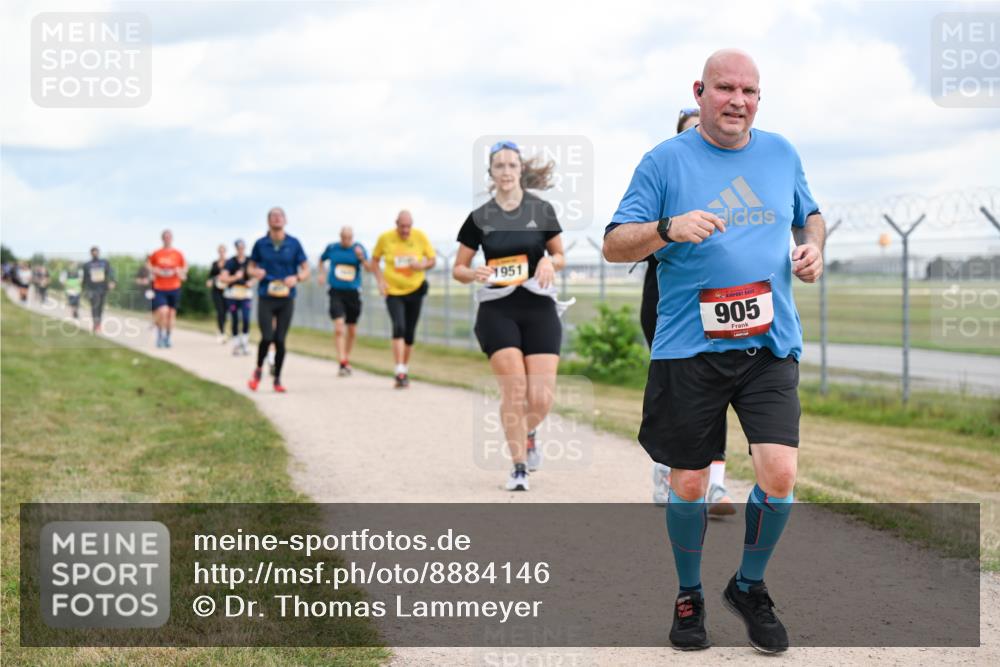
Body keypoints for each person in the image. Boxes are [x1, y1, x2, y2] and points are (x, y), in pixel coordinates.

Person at [603, 49, 825, 653]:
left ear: (759, 98)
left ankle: (748, 586)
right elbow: (614, 244)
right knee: (690, 483)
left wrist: (813, 248)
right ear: (700, 92)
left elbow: (810, 214)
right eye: (725, 88)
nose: (738, 101)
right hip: (689, 348)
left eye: (749, 91)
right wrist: (667, 228)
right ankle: (689, 594)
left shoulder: (781, 153)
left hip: (769, 345)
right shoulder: (664, 161)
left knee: (780, 473)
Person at [453, 140, 566, 491]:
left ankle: (526, 432)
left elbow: (560, 256)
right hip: (497, 308)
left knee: (541, 398)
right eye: (499, 166)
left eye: (511, 165)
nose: (505, 171)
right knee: (515, 390)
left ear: (521, 170)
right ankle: (518, 467)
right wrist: (473, 273)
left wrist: (549, 262)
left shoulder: (541, 210)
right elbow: (458, 268)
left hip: (538, 305)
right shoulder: (480, 217)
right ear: (491, 173)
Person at [647, 108, 736, 516]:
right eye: (692, 134)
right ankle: (666, 468)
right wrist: (670, 227)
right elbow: (626, 239)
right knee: (679, 394)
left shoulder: (735, 186)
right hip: (670, 303)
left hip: (721, 302)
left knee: (720, 387)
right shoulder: (663, 179)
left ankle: (715, 484)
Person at [247, 207, 309, 392]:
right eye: (273, 216)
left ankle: (277, 379)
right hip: (266, 296)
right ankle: (258, 369)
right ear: (268, 221)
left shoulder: (294, 243)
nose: (277, 219)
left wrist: (297, 278)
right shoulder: (260, 244)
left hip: (286, 298)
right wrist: (255, 272)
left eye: (280, 216)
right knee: (267, 337)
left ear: (285, 220)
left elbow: (305, 269)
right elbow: (250, 267)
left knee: (280, 339)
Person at [371, 211, 436, 388]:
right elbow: (374, 261)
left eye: (408, 226)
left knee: (410, 332)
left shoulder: (420, 236)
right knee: (398, 326)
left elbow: (432, 260)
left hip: (415, 289)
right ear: (396, 224)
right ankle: (399, 370)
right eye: (402, 226)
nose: (406, 230)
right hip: (393, 291)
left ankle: (404, 369)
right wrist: (380, 281)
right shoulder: (385, 238)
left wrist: (422, 265)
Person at [318, 226, 370, 376]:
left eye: (349, 238)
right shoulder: (332, 248)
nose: (346, 240)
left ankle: (346, 358)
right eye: (344, 237)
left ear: (352, 237)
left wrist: (361, 258)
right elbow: (321, 260)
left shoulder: (359, 249)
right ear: (340, 237)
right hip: (336, 292)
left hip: (353, 293)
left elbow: (369, 268)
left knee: (351, 330)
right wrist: (322, 274)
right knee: (339, 327)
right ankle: (342, 361)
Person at [147, 230, 187, 348]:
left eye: (169, 237)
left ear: (172, 238)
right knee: (162, 312)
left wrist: (180, 272)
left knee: (171, 314)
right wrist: (154, 270)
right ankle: (160, 336)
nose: (167, 239)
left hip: (174, 287)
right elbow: (149, 265)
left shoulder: (178, 254)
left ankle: (167, 338)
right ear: (162, 239)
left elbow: (185, 268)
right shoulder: (157, 253)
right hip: (159, 287)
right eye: (165, 237)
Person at [220, 239, 254, 356]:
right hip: (232, 294)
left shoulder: (250, 261)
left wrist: (252, 282)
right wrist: (235, 277)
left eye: (242, 247)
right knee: (234, 319)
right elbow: (223, 278)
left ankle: (244, 343)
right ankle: (236, 345)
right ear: (236, 248)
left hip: (245, 294)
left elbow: (256, 275)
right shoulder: (230, 262)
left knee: (246, 318)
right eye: (239, 248)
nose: (241, 250)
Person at [81, 247, 116, 333]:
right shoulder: (87, 265)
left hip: (103, 288)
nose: (95, 254)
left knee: (100, 307)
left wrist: (112, 281)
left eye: (96, 252)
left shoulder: (104, 263)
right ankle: (95, 324)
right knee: (94, 306)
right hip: (92, 289)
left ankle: (98, 323)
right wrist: (83, 289)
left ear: (98, 253)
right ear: (91, 253)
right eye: (93, 252)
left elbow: (111, 272)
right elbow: (84, 278)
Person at [206, 244, 229, 344]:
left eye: (223, 251)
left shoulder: (229, 263)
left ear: (225, 252)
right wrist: (210, 281)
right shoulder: (214, 264)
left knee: (225, 312)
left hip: (227, 291)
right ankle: (221, 331)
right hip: (216, 291)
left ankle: (222, 328)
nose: (221, 253)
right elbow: (210, 276)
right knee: (220, 311)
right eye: (220, 251)